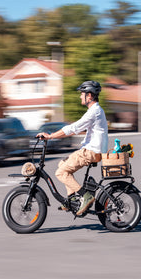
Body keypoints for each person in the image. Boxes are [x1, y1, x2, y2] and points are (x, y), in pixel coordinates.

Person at [37, 80, 108, 215]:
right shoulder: (95, 111)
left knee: (60, 173)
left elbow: (73, 128)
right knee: (62, 164)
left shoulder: (94, 112)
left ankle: (85, 196)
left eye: (82, 94)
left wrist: (50, 136)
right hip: (91, 150)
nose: (80, 96)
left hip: (90, 151)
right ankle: (72, 199)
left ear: (90, 96)